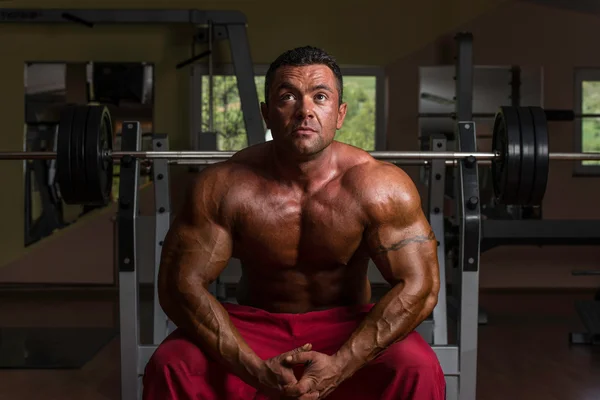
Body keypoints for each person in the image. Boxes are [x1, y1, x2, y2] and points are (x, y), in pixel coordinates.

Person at [143, 46, 445, 400]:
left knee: (417, 367)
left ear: (340, 113)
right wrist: (255, 370)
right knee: (171, 363)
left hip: (348, 326)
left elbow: (420, 286)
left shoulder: (379, 187)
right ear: (267, 113)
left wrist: (342, 365)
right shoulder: (224, 186)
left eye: (320, 97)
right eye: (288, 97)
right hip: (254, 325)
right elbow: (179, 286)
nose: (305, 111)